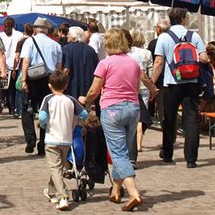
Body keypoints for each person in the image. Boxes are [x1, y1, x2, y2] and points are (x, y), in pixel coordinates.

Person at [83, 28, 156, 211]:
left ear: (108, 43)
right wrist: (153, 90)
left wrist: (86, 100)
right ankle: (116, 190)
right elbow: (143, 81)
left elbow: (94, 90)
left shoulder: (105, 63)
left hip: (112, 109)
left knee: (118, 153)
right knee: (121, 148)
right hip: (132, 109)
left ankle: (133, 193)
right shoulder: (133, 63)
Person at [150, 7, 208, 168]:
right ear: (184, 18)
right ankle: (191, 159)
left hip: (171, 83)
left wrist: (152, 84)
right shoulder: (194, 36)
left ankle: (168, 153)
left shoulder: (164, 38)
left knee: (169, 119)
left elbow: (159, 63)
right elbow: (204, 58)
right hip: (191, 83)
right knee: (191, 120)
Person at [39, 71, 88, 211]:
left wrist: (44, 125)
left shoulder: (48, 99)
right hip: (67, 139)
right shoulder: (71, 100)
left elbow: (42, 117)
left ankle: (63, 196)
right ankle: (50, 191)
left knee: (55, 168)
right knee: (59, 167)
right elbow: (83, 114)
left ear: (49, 86)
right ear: (66, 86)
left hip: (52, 138)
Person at [20, 17, 63, 156]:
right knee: (46, 111)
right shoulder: (55, 44)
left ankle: (30, 140)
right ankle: (43, 142)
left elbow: (26, 61)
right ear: (46, 30)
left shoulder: (29, 41)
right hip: (48, 80)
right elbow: (58, 67)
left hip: (33, 79)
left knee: (27, 109)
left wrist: (24, 79)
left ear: (35, 29)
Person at [125, 29, 153, 154]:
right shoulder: (146, 53)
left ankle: (131, 144)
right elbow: (148, 73)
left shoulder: (128, 54)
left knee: (133, 118)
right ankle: (138, 144)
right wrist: (152, 87)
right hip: (143, 86)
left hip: (130, 87)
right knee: (140, 117)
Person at [61, 26, 98, 100]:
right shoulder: (91, 50)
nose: (67, 36)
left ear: (74, 36)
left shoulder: (67, 49)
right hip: (88, 86)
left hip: (72, 87)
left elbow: (66, 69)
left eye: (68, 34)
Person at [0, 17, 24, 116]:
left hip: (8, 65)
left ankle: (11, 107)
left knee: (8, 88)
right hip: (14, 64)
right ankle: (14, 107)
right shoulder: (19, 35)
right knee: (14, 88)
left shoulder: (0, 35)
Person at [147, 18, 169, 121]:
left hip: (160, 79)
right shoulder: (173, 40)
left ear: (159, 29)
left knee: (162, 107)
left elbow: (156, 63)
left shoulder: (154, 43)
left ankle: (167, 131)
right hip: (175, 78)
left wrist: (151, 82)